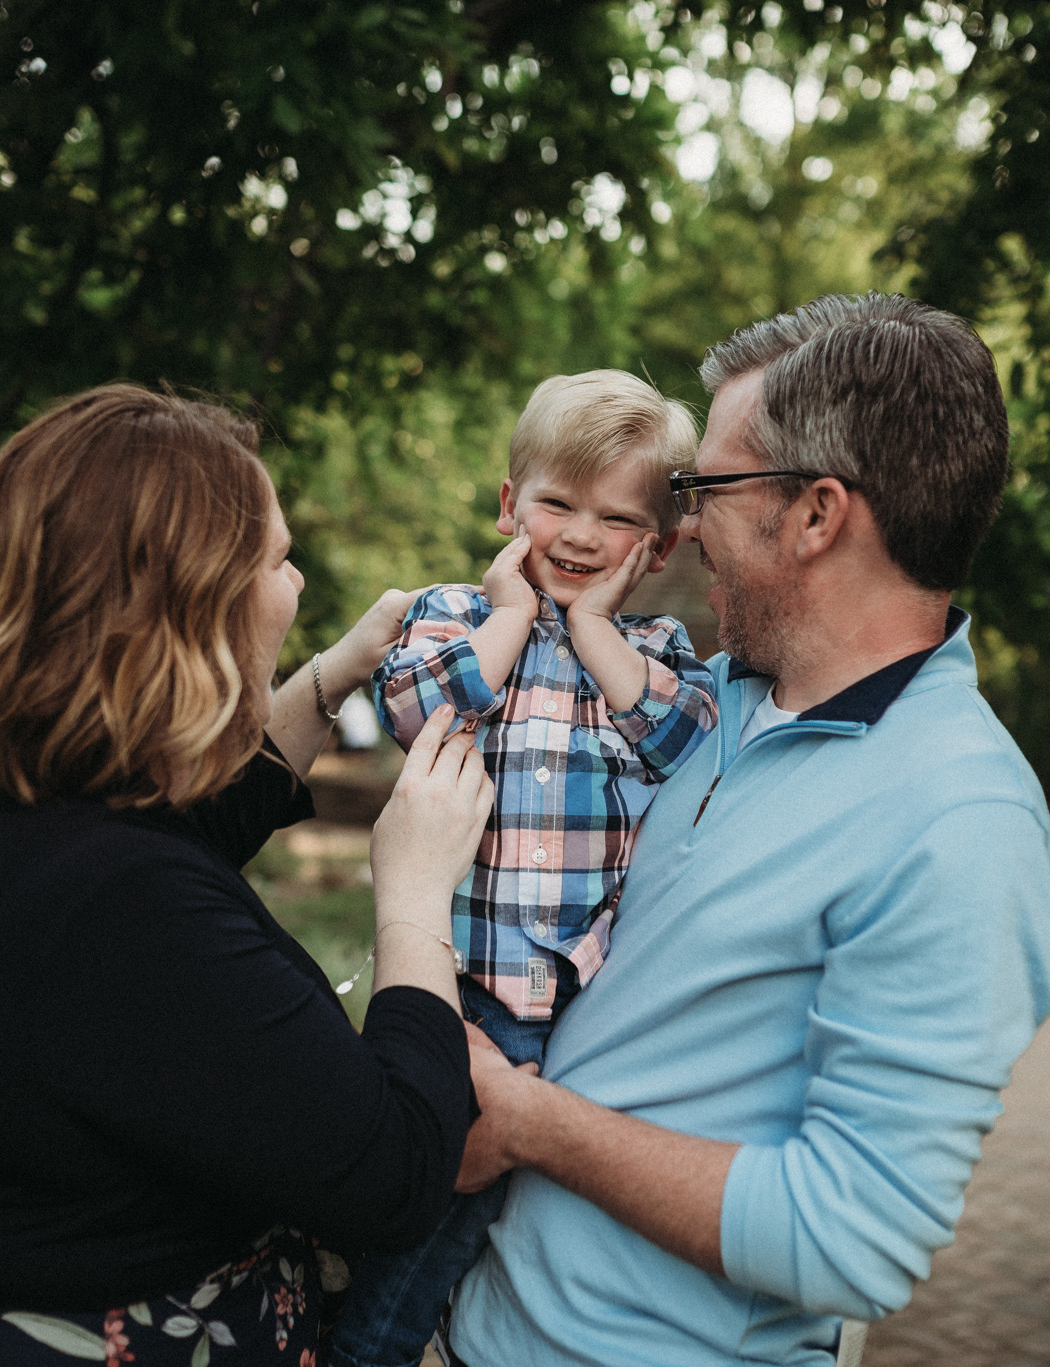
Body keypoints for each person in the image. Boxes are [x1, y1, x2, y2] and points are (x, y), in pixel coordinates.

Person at [446, 294, 1050, 1367]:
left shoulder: (958, 817)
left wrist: (522, 1118)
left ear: (817, 513)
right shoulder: (693, 701)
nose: (681, 526)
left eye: (706, 488)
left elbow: (848, 1237)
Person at [0, 384, 511, 1367]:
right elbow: (392, 1173)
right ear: (193, 605)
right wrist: (413, 891)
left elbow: (187, 825)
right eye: (279, 560)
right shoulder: (131, 912)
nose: (292, 585)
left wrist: (331, 673)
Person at [332, 371, 719, 1367]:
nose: (580, 535)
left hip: (573, 1012)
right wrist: (508, 618)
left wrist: (591, 630)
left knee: (472, 1227)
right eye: (556, 503)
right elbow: (417, 711)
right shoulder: (450, 614)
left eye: (617, 517)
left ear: (660, 546)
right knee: (408, 1207)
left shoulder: (654, 649)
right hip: (448, 982)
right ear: (509, 504)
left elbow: (681, 742)